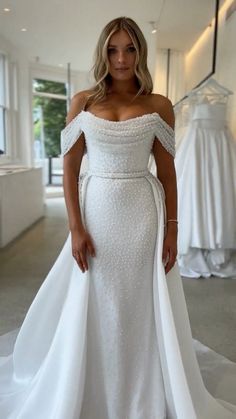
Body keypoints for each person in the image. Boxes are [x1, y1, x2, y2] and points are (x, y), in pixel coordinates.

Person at [0, 16, 236, 419]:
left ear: (140, 52)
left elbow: (167, 173)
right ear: (102, 52)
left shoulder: (158, 104)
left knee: (136, 301)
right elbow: (71, 169)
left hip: (143, 212)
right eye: (113, 49)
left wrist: (172, 231)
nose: (122, 58)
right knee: (97, 297)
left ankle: (140, 385)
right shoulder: (83, 102)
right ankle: (90, 383)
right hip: (97, 212)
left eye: (129, 49)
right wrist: (75, 227)